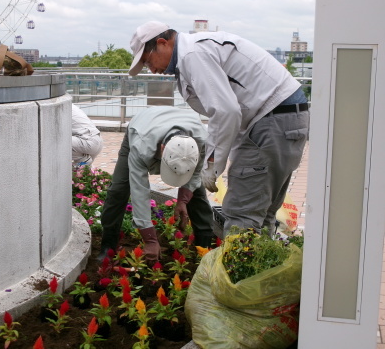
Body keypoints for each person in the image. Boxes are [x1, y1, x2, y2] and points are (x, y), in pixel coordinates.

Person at [128, 21, 310, 238]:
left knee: (242, 215)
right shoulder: (195, 51)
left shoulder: (191, 55)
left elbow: (226, 111)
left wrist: (212, 166)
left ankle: (237, 270)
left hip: (272, 121)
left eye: (148, 61)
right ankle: (261, 268)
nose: (153, 70)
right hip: (286, 118)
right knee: (264, 214)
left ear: (162, 43)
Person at [98, 106, 215, 264]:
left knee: (198, 194)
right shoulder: (141, 147)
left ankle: (205, 247)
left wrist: (183, 200)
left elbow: (195, 173)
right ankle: (108, 246)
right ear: (162, 149)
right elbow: (140, 191)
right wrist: (150, 239)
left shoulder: (203, 142)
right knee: (119, 190)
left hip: (178, 123)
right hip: (141, 126)